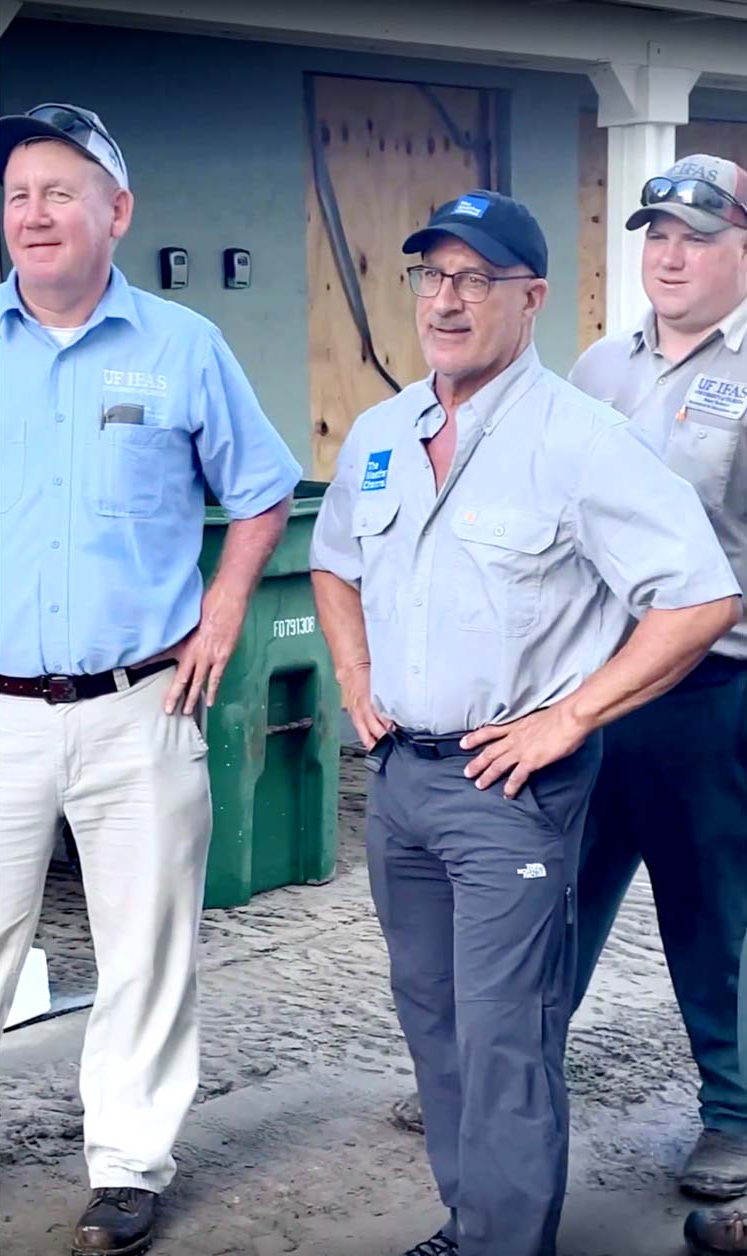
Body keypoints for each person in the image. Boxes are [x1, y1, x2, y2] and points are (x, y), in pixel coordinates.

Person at [310, 187, 741, 1256]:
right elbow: (333, 558)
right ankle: (471, 1220)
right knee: (435, 1016)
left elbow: (699, 598)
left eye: (476, 279)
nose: (447, 301)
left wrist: (569, 718)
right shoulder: (383, 432)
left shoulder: (582, 439)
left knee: (507, 1033)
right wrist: (355, 672)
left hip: (511, 783)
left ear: (531, 297)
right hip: (400, 778)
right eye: (432, 276)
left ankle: (509, 1239)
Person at [0, 103, 301, 1256]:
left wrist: (224, 609)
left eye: (60, 192)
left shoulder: (183, 345)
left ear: (116, 211)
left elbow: (262, 488)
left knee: (146, 946)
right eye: (17, 194)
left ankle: (126, 1164)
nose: (34, 213)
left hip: (142, 703)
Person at [570, 153, 747, 1213]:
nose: (671, 257)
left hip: (711, 694)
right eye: (659, 236)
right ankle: (512, 1073)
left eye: (699, 238)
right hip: (592, 688)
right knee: (557, 892)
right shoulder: (599, 367)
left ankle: (734, 1112)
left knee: (706, 907)